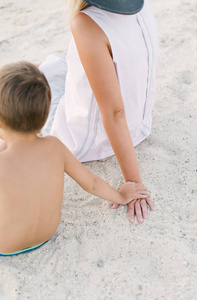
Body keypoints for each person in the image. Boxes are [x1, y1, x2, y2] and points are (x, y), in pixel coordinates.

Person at [0, 61, 149, 256]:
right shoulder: (55, 147)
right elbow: (92, 183)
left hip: (6, 244)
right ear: (44, 116)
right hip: (46, 234)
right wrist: (121, 196)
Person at [38, 0, 159, 223]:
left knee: (41, 74)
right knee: (59, 66)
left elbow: (114, 113)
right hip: (140, 123)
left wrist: (133, 182)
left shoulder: (86, 23)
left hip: (88, 140)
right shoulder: (143, 4)